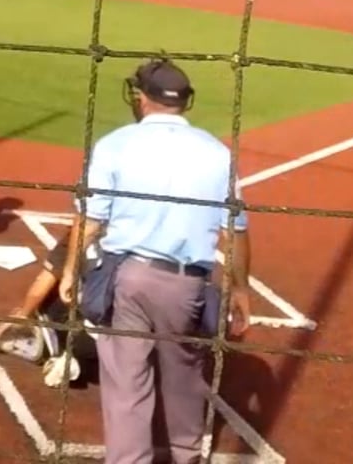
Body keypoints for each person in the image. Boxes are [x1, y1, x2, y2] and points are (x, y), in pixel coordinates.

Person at [57, 59, 252, 464]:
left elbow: (90, 220)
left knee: (126, 382)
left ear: (141, 98)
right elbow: (235, 230)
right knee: (184, 377)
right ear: (185, 102)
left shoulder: (115, 144)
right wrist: (242, 289)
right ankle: (186, 455)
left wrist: (70, 269)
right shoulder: (217, 153)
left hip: (127, 278)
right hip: (186, 285)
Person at [0, 232, 95, 388]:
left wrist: (23, 315)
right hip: (123, 336)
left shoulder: (76, 238)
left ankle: (74, 357)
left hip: (89, 336)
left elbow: (43, 283)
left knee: (47, 299)